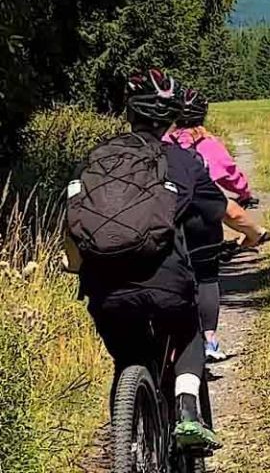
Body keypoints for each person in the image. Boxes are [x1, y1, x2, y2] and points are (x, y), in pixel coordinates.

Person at [65, 69, 225, 452]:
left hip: (105, 286)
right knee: (187, 329)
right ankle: (188, 410)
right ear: (171, 117)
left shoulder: (96, 159)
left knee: (127, 360)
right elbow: (215, 211)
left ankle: (128, 438)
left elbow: (71, 221)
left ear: (129, 112)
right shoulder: (182, 161)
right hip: (165, 281)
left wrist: (78, 267)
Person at [165, 87, 270, 362]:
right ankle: (209, 338)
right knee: (207, 275)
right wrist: (245, 195)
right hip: (202, 219)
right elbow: (233, 176)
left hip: (167, 217)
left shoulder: (164, 142)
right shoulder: (209, 144)